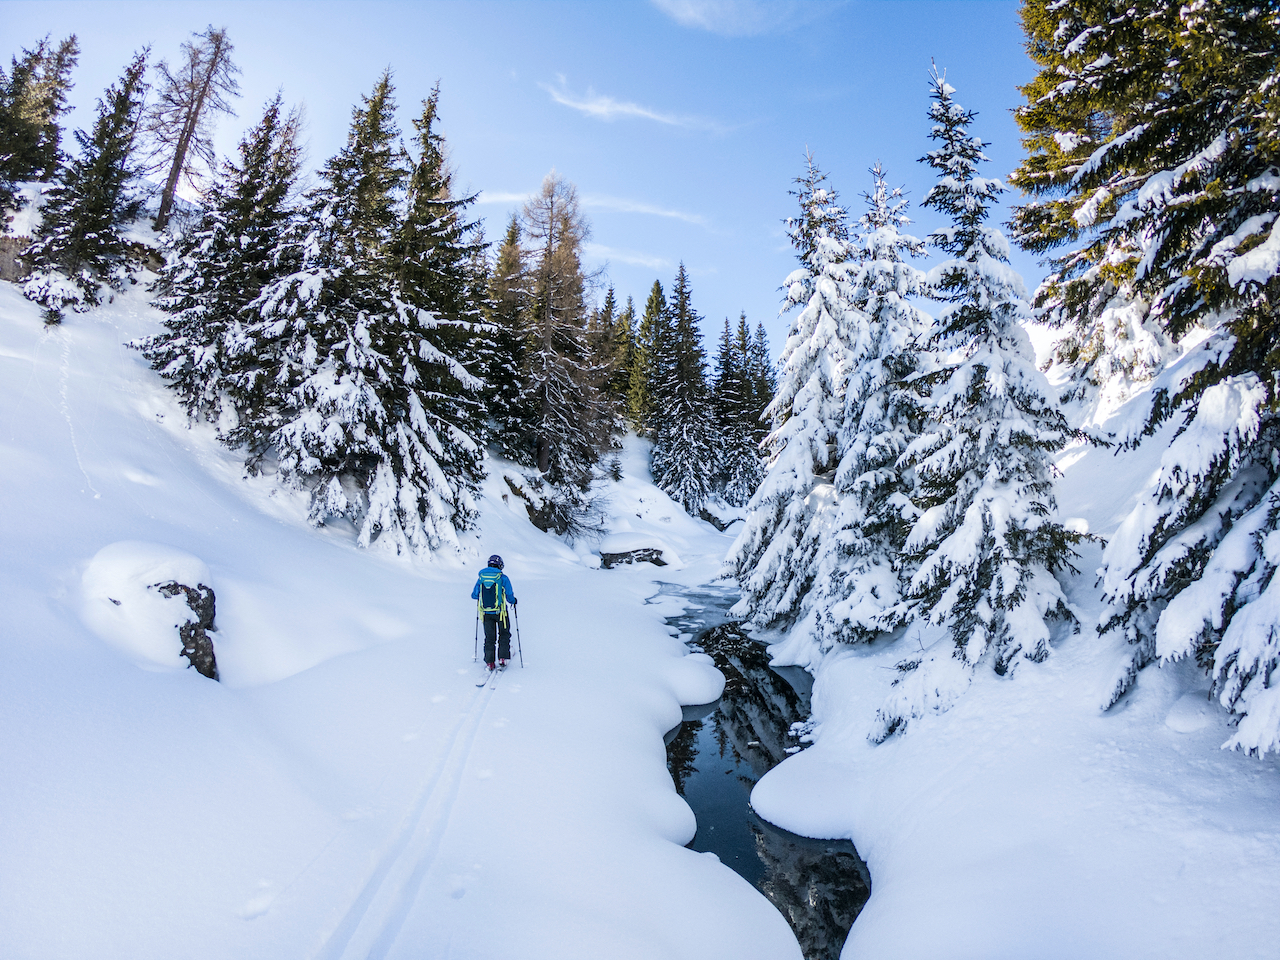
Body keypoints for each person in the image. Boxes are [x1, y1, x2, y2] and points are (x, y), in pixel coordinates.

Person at [472, 554, 517, 670]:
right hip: (501, 613)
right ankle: (502, 658)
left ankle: (489, 662)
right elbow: (509, 595)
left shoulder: (481, 578)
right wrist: (513, 601)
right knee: (504, 634)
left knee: (489, 637)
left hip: (486, 613)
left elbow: (474, 595)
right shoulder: (502, 577)